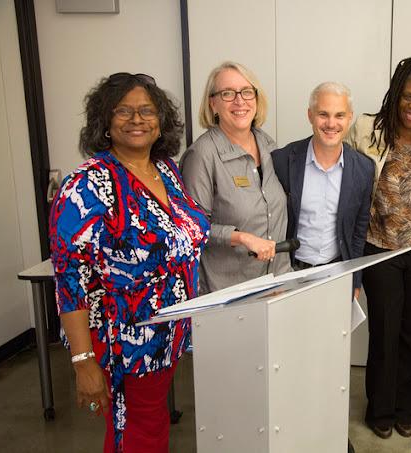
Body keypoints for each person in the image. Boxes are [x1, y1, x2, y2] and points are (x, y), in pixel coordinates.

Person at [49, 73, 210, 452]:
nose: (136, 119)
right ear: (104, 122)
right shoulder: (87, 184)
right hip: (121, 343)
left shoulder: (166, 170)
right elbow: (69, 281)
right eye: (123, 111)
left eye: (146, 111)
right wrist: (83, 361)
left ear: (160, 122)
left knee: (149, 425)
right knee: (134, 433)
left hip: (166, 338)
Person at [271, 82, 374, 453]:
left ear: (349, 119)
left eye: (340, 115)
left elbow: (360, 226)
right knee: (288, 357)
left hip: (335, 275)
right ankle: (291, 431)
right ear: (310, 115)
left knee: (330, 362)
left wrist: (355, 277)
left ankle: (329, 431)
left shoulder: (363, 168)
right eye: (324, 114)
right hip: (291, 272)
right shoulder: (283, 159)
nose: (331, 123)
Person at [345, 57, 411, 440]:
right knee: (385, 331)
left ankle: (409, 408)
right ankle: (381, 410)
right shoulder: (369, 129)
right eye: (408, 97)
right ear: (396, 95)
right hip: (378, 247)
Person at [181, 61, 290, 294]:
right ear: (213, 104)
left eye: (247, 92)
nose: (240, 101)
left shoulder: (269, 146)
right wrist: (242, 238)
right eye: (228, 93)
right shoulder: (201, 155)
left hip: (277, 283)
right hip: (230, 293)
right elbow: (191, 228)